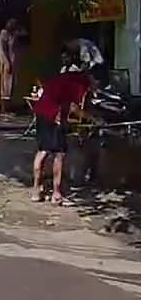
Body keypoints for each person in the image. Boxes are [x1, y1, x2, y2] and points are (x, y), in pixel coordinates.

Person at [31, 49, 95, 204]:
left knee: (42, 151)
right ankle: (56, 194)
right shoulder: (79, 84)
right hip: (53, 115)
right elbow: (72, 107)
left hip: (41, 112)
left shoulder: (65, 77)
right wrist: (93, 119)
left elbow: (61, 101)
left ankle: (36, 191)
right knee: (59, 154)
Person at [0, 18, 21, 115]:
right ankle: (4, 109)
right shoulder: (4, 34)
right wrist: (7, 63)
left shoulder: (13, 35)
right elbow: (2, 50)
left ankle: (9, 108)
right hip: (7, 63)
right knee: (6, 86)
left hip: (13, 62)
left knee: (11, 86)